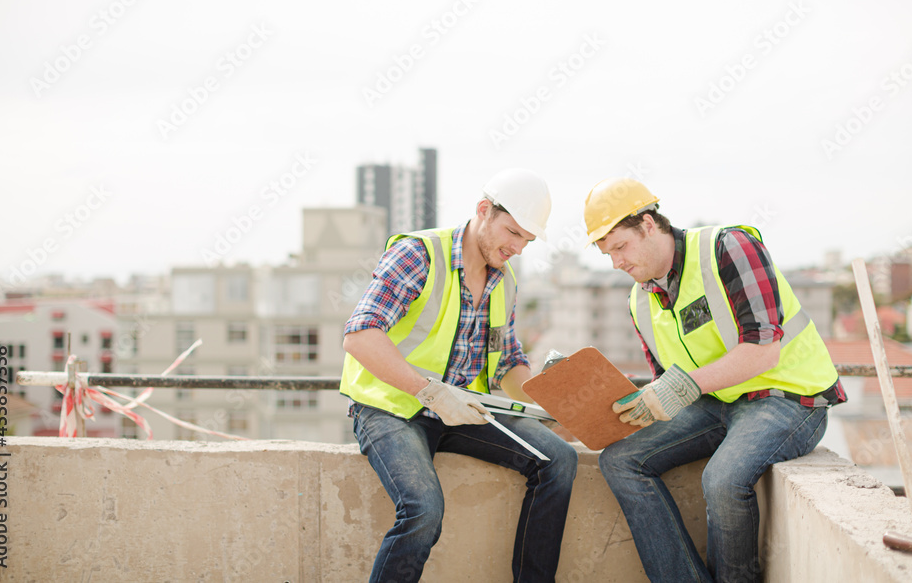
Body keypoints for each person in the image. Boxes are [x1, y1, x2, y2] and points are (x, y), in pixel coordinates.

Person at [583, 177, 845, 583]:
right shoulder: (640, 299)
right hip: (716, 403)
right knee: (620, 461)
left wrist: (679, 388)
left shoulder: (728, 248)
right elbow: (667, 382)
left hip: (789, 396)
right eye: (607, 253)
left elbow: (763, 348)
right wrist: (617, 404)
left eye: (620, 246)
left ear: (649, 224)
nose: (617, 262)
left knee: (722, 481)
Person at [341, 168, 578, 583]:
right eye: (513, 232)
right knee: (423, 508)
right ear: (483, 210)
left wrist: (549, 407)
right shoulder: (418, 254)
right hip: (393, 409)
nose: (518, 247)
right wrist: (429, 392)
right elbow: (360, 336)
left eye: (527, 239)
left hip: (464, 411)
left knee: (558, 460)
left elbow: (507, 362)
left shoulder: (504, 279)